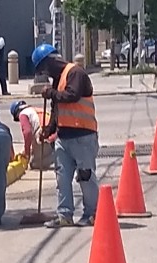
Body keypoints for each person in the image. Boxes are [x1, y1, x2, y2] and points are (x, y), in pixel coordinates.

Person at [32, 43, 99, 229]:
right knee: (62, 177)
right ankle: (65, 215)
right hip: (64, 137)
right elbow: (57, 109)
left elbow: (72, 95)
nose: (45, 73)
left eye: (44, 68)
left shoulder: (75, 73)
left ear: (51, 62)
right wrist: (49, 129)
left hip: (83, 135)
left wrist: (51, 93)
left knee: (86, 176)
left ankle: (92, 213)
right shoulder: (58, 79)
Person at [9, 100, 55, 170]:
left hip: (44, 136)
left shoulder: (23, 114)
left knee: (34, 164)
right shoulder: (36, 110)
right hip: (54, 135)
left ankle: (57, 158)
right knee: (36, 153)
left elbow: (27, 133)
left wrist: (27, 152)